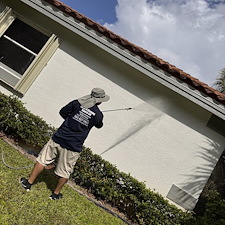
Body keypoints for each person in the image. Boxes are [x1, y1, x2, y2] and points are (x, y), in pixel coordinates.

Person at [20, 88, 109, 200]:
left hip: (59, 138)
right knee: (65, 171)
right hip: (73, 146)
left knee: (42, 160)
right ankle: (55, 194)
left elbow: (63, 112)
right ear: (100, 100)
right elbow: (99, 125)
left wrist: (71, 120)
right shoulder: (98, 114)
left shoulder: (76, 103)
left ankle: (28, 183)